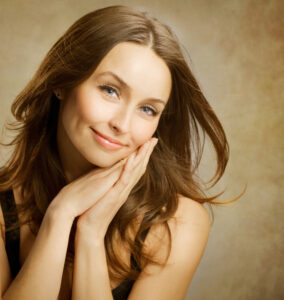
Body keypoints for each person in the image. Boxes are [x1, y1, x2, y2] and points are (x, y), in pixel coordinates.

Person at [0, 5, 231, 300]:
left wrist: (92, 233)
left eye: (147, 109)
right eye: (110, 90)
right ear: (61, 81)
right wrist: (60, 215)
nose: (122, 124)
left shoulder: (177, 222)